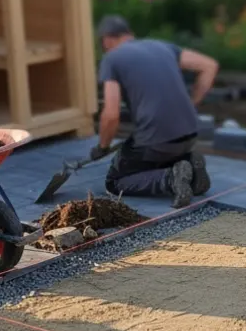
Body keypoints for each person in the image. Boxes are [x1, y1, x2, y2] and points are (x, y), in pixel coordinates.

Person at [92, 15, 219, 208]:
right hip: (190, 132)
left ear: (107, 40)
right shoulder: (161, 46)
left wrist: (102, 146)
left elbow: (111, 115)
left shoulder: (112, 59)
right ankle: (189, 165)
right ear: (130, 35)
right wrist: (193, 103)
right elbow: (209, 66)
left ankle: (170, 179)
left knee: (115, 181)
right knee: (151, 152)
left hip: (157, 140)